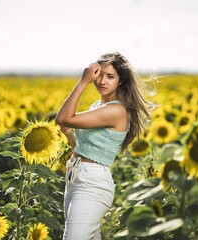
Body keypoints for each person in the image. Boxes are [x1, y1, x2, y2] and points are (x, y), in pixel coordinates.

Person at [55, 51, 151, 240]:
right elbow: (82, 150)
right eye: (100, 75)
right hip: (75, 178)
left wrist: (83, 82)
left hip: (93, 184)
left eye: (110, 77)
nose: (102, 81)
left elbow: (63, 118)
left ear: (120, 81)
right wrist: (69, 135)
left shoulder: (116, 110)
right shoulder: (97, 106)